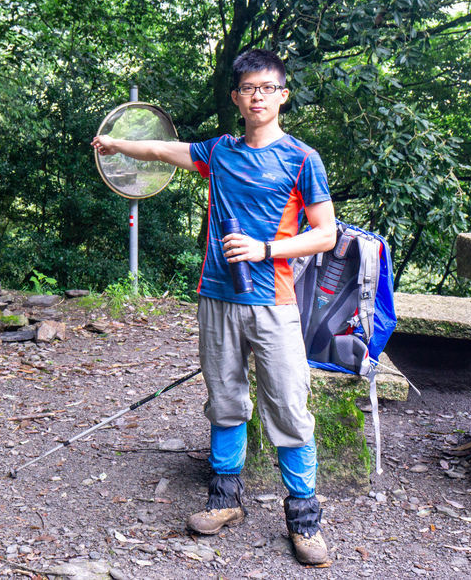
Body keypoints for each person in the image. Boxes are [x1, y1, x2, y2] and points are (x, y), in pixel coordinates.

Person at [91, 49, 336, 566]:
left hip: (274, 300)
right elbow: (160, 150)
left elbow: (326, 234)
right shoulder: (219, 152)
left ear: (283, 95)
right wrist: (114, 143)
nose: (258, 96)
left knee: (289, 406)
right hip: (216, 297)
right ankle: (225, 501)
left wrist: (265, 250)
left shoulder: (301, 158)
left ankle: (305, 518)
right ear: (236, 97)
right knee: (225, 400)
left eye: (268, 88)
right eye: (249, 88)